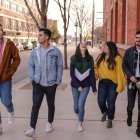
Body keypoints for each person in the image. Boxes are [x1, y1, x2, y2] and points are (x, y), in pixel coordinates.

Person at [25, 28, 63, 137]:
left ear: (46, 37)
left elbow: (60, 65)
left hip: (51, 84)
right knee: (35, 105)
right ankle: (32, 128)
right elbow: (30, 65)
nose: (38, 37)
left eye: (40, 35)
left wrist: (58, 80)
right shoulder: (35, 51)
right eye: (38, 35)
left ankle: (49, 123)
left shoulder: (55, 51)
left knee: (51, 104)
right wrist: (32, 78)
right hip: (38, 84)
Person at [94, 41, 125, 128]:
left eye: (106, 46)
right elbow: (95, 67)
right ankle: (105, 112)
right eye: (104, 46)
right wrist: (96, 73)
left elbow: (121, 73)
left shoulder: (117, 58)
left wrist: (120, 86)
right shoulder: (100, 56)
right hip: (102, 83)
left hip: (113, 84)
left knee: (111, 102)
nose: (103, 47)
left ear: (111, 49)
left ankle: (110, 119)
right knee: (100, 101)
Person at [70, 42, 96, 132]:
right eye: (81, 44)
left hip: (86, 86)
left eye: (85, 45)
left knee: (81, 105)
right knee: (76, 107)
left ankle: (80, 123)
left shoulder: (90, 59)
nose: (84, 45)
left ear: (86, 48)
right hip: (74, 86)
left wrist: (94, 88)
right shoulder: (73, 58)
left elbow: (92, 74)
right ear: (79, 47)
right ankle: (79, 113)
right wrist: (77, 85)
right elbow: (72, 74)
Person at [0, 24, 20, 134]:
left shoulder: (9, 44)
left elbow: (16, 58)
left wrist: (11, 72)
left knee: (6, 100)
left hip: (5, 78)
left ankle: (10, 110)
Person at [122, 31, 140, 137]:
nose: (138, 39)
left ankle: (139, 129)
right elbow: (124, 65)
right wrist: (130, 76)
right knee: (130, 105)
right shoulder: (129, 51)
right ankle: (129, 115)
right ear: (135, 39)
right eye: (137, 37)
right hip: (132, 80)